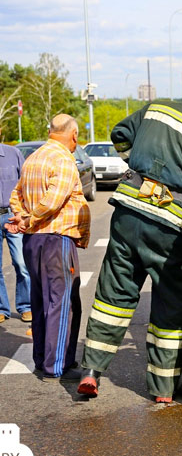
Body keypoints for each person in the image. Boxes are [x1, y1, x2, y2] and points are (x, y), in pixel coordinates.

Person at [78, 81, 182, 403]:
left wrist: (138, 165)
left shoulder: (159, 108)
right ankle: (162, 389)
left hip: (128, 214)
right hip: (171, 233)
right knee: (170, 305)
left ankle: (91, 371)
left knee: (113, 295)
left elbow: (120, 134)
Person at [7, 114, 90, 381]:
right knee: (62, 301)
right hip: (56, 239)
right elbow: (54, 201)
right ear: (73, 134)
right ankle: (57, 365)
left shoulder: (34, 157)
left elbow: (15, 194)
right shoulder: (63, 158)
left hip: (34, 240)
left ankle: (42, 359)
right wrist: (29, 218)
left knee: (42, 299)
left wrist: (22, 217)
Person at [0, 128, 31, 324]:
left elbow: (25, 185)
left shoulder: (14, 154)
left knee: (21, 262)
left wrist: (24, 214)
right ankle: (2, 308)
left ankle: (26, 306)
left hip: (13, 215)